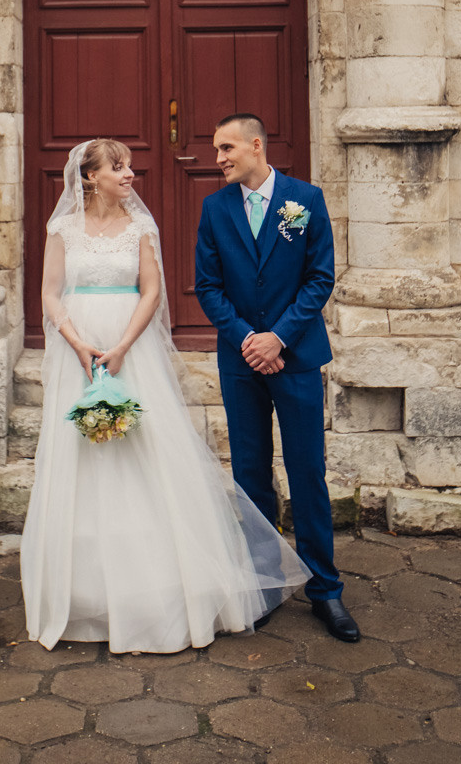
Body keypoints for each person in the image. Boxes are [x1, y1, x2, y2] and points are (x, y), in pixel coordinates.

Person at [21, 137, 308, 654]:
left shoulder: (140, 227)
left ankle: (157, 587)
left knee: (143, 453)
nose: (131, 174)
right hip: (79, 348)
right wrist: (78, 342)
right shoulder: (61, 228)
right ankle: (83, 594)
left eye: (130, 165)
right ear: (90, 177)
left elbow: (152, 290)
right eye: (119, 167)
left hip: (130, 347)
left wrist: (125, 345)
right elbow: (49, 291)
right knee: (81, 457)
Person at [194, 113, 360, 643]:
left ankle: (325, 590)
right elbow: (207, 284)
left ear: (255, 146)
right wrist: (249, 338)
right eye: (217, 150)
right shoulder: (214, 208)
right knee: (250, 473)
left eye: (226, 148)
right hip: (241, 362)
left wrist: (279, 338)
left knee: (307, 471)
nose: (217, 157)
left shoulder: (303, 200)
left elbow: (319, 277)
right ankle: (264, 583)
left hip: (296, 358)